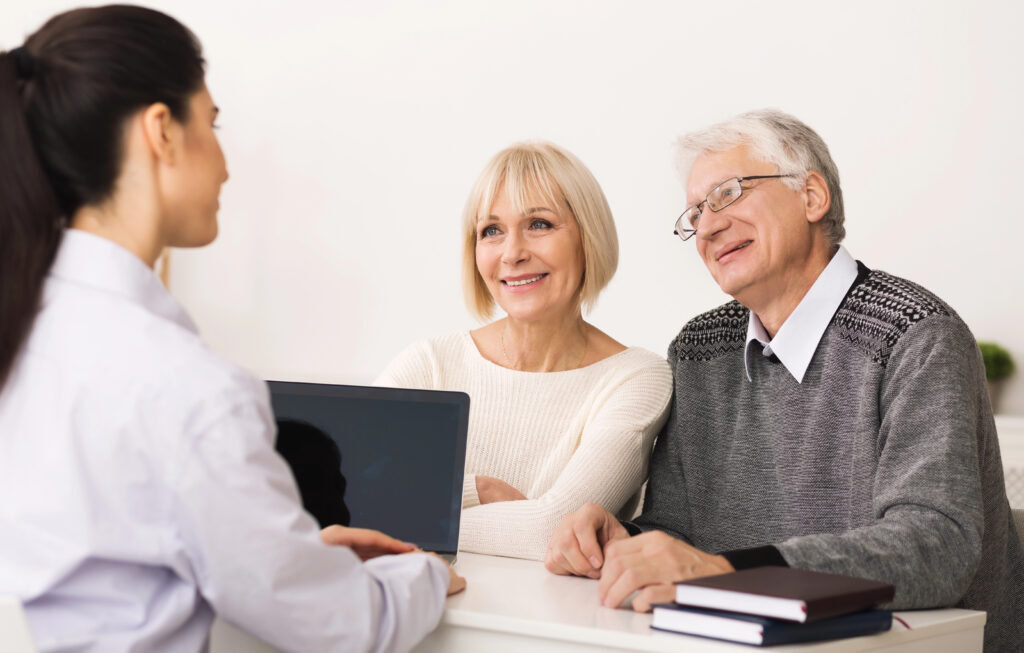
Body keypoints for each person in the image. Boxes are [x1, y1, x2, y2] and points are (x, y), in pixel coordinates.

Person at [0, 6, 463, 652]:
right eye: (213, 124)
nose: (225, 164)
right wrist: (423, 573)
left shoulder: (28, 332)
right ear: (161, 131)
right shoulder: (187, 390)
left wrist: (285, 550)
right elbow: (349, 626)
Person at [545, 109, 1024, 651]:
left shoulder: (916, 334)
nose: (706, 226)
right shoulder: (701, 350)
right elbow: (680, 529)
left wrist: (724, 570)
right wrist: (621, 542)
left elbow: (937, 548)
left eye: (728, 194)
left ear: (811, 196)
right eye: (695, 213)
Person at [377, 142, 672, 560]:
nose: (512, 253)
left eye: (539, 224)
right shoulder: (430, 365)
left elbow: (551, 532)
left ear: (588, 237)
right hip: (424, 614)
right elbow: (345, 497)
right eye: (491, 231)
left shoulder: (635, 377)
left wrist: (412, 510)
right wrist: (476, 490)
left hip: (546, 624)